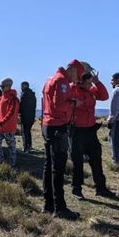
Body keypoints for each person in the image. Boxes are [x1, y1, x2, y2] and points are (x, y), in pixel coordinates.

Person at [41, 62, 83, 219]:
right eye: (77, 75)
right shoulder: (61, 81)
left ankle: (48, 204)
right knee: (58, 167)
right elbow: (59, 105)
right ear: (72, 70)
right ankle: (60, 208)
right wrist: (73, 102)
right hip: (58, 126)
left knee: (49, 165)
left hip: (47, 125)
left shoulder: (50, 79)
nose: (76, 79)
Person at [70, 68, 116, 199]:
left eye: (91, 83)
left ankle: (100, 188)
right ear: (80, 81)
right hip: (77, 131)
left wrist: (97, 82)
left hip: (90, 130)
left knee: (96, 160)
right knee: (77, 162)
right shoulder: (73, 89)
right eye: (88, 82)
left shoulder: (91, 90)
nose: (90, 85)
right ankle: (76, 190)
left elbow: (104, 96)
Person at [0, 78, 20, 167]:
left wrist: (1, 123)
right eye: (1, 86)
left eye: (2, 86)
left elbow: (11, 113)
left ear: (8, 86)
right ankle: (1, 162)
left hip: (9, 128)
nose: (1, 88)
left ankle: (12, 164)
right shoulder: (1, 98)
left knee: (11, 147)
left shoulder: (14, 99)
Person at [18, 81, 37, 153]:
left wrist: (18, 112)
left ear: (24, 86)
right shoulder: (33, 94)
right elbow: (34, 106)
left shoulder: (24, 94)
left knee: (24, 132)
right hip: (31, 116)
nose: (21, 88)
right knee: (28, 131)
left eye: (21, 86)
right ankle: (30, 145)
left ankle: (26, 147)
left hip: (25, 116)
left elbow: (21, 106)